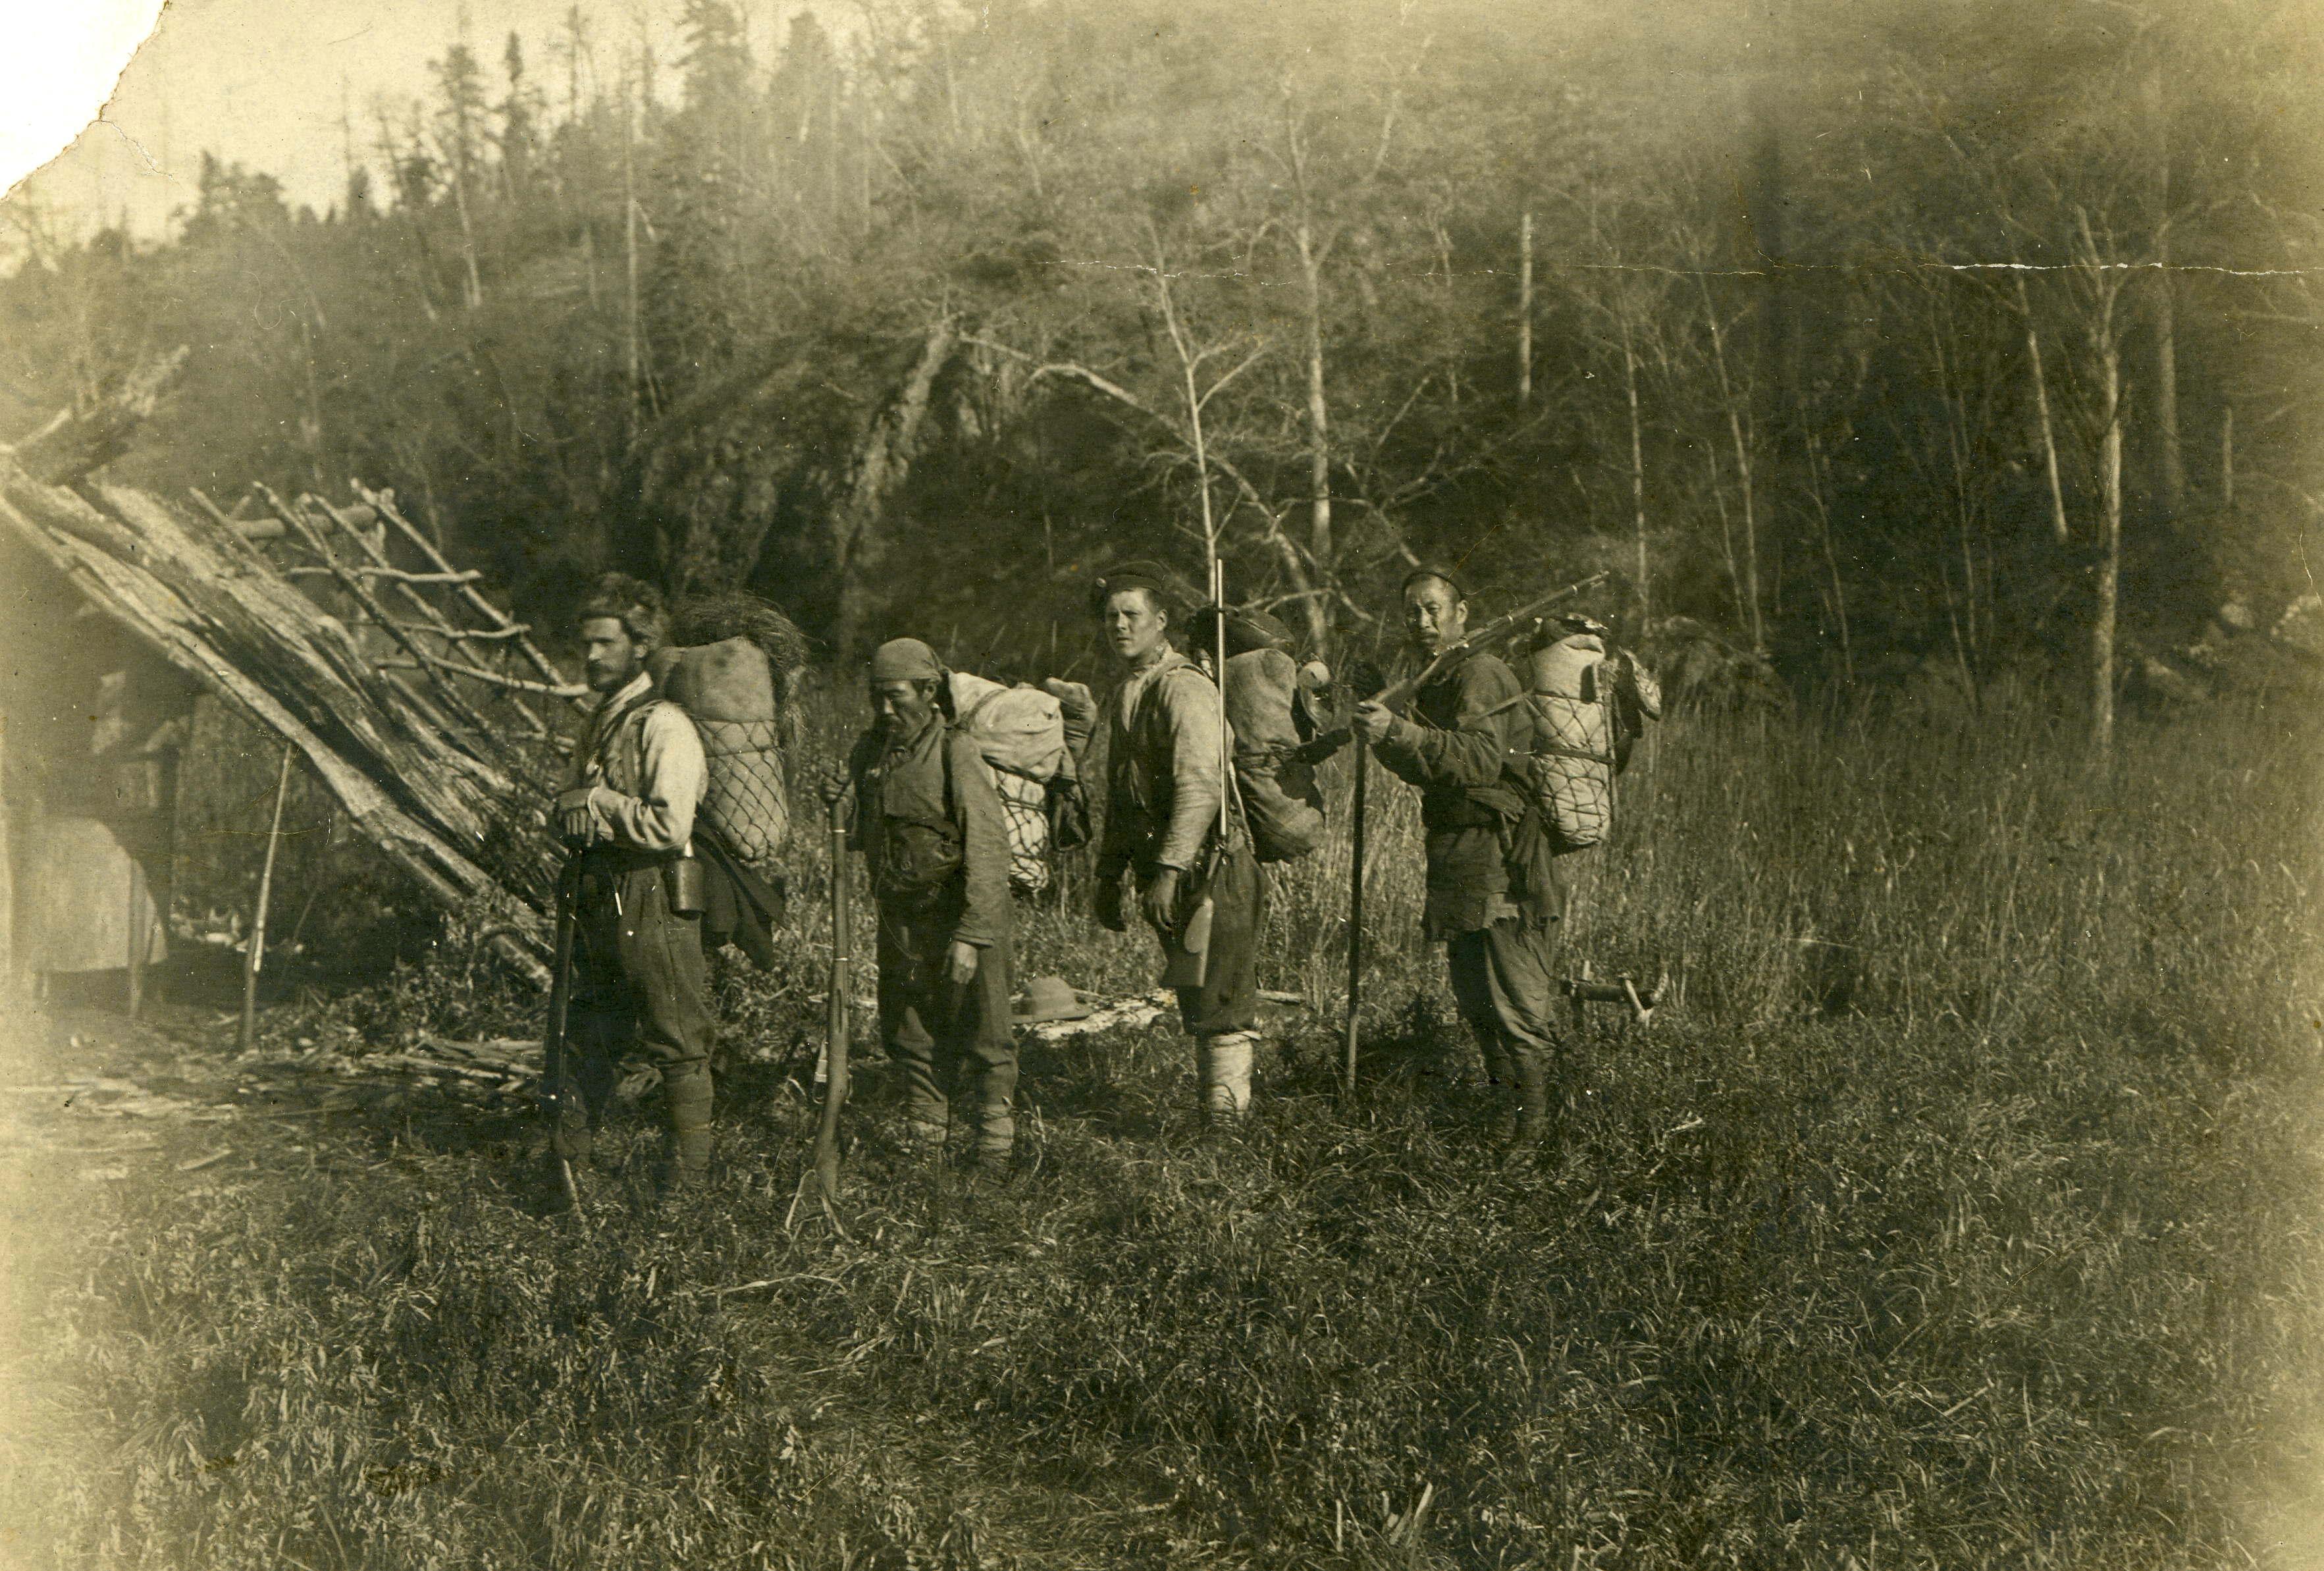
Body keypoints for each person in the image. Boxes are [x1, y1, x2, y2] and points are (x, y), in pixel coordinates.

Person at [1354, 568, 1566, 1167]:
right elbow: (1430, 765)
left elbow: (1476, 760)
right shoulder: (1439, 680)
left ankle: (1533, 1136)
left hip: (1503, 859)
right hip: (1456, 856)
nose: (1421, 623)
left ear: (1462, 612)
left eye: (1432, 610)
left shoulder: (1480, 673)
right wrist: (1391, 731)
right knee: (1475, 999)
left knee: (1514, 1000)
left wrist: (1396, 730)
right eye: (1411, 613)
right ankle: (1506, 1117)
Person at [551, 573, 719, 1192]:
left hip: (654, 890)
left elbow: (670, 825)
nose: (591, 656)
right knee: (593, 1029)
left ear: (641, 645)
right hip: (600, 891)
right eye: (586, 645)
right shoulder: (601, 722)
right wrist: (577, 807)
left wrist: (598, 803)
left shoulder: (664, 725)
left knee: (677, 1034)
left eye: (605, 643)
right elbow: (571, 802)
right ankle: (575, 1168)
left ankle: (690, 1182)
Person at [1090, 562, 1266, 1129]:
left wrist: (1167, 870)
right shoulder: (1128, 692)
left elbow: (1201, 786)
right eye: (1111, 616)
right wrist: (1108, 875)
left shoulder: (1185, 688)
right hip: (1170, 872)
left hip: (1212, 869)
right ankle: (1215, 1120)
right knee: (1198, 997)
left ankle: (1227, 1137)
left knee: (1221, 1003)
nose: (1119, 625)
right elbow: (1123, 796)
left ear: (1160, 622)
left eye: (1131, 615)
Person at [843, 637, 1019, 1169]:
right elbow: (858, 835)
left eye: (896, 697)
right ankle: (925, 1153)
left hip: (961, 915)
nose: (885, 710)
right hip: (902, 919)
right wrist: (842, 801)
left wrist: (972, 935)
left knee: (986, 1036)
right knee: (911, 1031)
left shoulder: (955, 751)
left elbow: (989, 849)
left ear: (929, 690)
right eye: (877, 697)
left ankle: (993, 1158)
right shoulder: (870, 753)